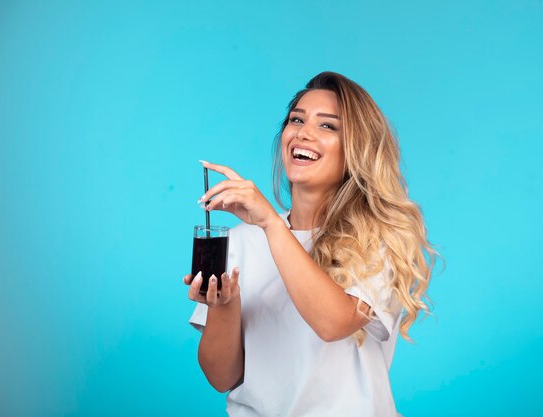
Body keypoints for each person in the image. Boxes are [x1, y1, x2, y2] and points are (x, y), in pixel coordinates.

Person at [184, 71, 437, 417]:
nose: (303, 132)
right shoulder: (242, 241)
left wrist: (271, 223)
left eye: (327, 126)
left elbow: (333, 323)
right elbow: (221, 376)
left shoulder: (379, 238)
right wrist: (225, 305)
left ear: (356, 149)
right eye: (296, 120)